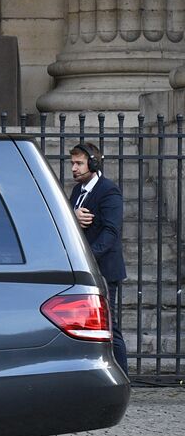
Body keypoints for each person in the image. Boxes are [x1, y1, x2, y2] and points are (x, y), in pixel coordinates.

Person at [69, 142, 128, 371]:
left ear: (93, 163)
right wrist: (73, 215)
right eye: (72, 163)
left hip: (104, 270)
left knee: (111, 328)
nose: (74, 168)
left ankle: (123, 379)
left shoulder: (108, 190)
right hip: (84, 270)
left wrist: (89, 258)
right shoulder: (76, 192)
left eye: (79, 163)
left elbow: (111, 231)